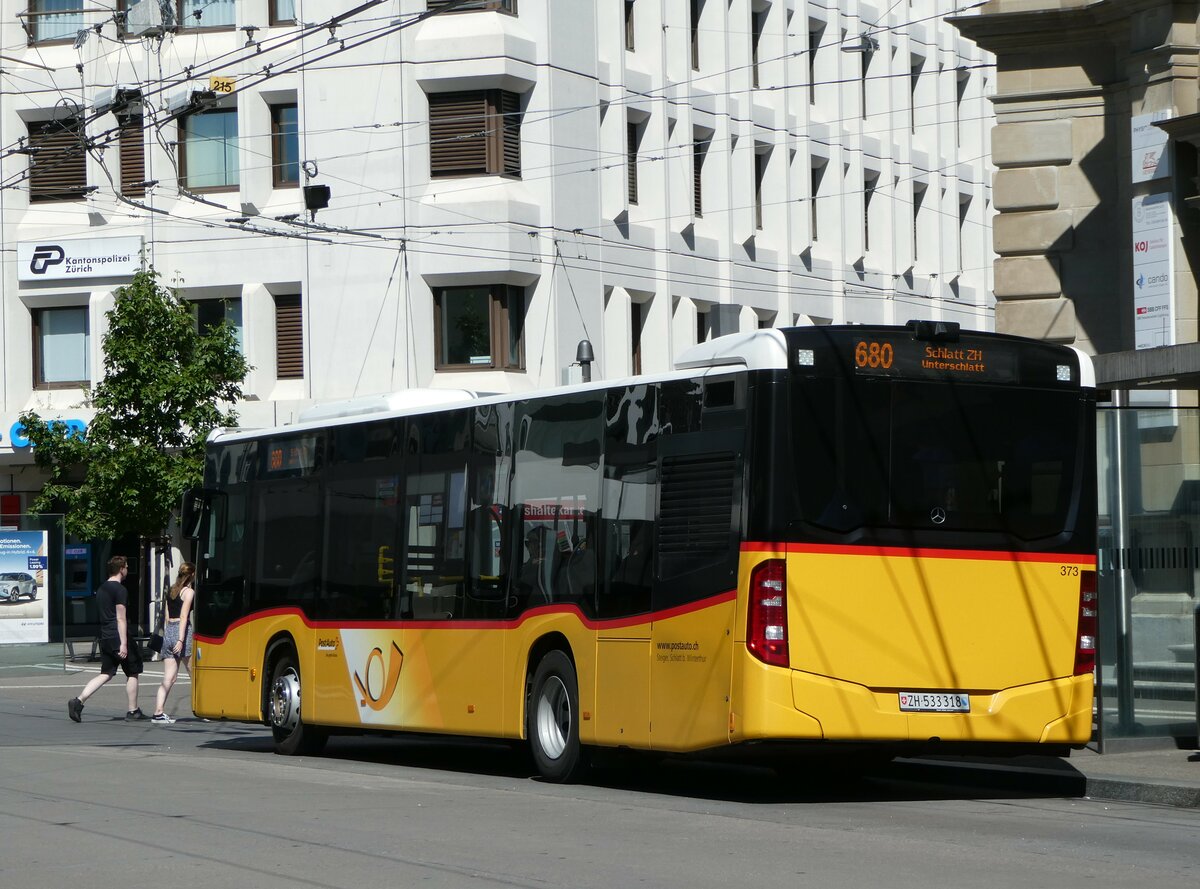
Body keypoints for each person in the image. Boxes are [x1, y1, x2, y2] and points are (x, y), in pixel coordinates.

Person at [67, 555, 146, 722]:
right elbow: (120, 618)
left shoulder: (102, 588)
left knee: (106, 673)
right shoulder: (120, 590)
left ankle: (79, 701)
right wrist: (124, 643)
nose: (127, 570)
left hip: (105, 635)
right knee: (133, 671)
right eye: (126, 567)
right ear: (121, 569)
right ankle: (133, 711)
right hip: (118, 634)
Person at [151, 561, 196, 725]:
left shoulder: (171, 590)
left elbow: (167, 615)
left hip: (169, 630)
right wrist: (181, 639)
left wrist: (169, 636)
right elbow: (184, 617)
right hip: (181, 632)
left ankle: (158, 712)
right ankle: (203, 708)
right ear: (191, 575)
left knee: (169, 678)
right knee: (195, 674)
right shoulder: (188, 592)